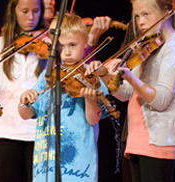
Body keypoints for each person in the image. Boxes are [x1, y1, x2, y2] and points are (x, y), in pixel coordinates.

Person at [88, 0, 175, 182]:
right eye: (137, 16)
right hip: (137, 139)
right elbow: (125, 94)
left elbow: (161, 100)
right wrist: (106, 77)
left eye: (146, 14)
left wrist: (131, 78)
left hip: (159, 141)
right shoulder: (147, 45)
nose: (140, 22)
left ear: (166, 12)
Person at [18, 13, 110, 182]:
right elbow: (26, 114)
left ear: (84, 44)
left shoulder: (90, 75)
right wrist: (24, 102)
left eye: (73, 45)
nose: (67, 52)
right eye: (62, 46)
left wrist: (90, 100)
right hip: (45, 168)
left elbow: (93, 120)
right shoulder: (48, 77)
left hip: (79, 168)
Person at [0, 0, 47, 182]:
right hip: (4, 130)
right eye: (24, 11)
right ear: (13, 12)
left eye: (36, 11)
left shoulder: (47, 44)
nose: (31, 17)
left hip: (38, 131)